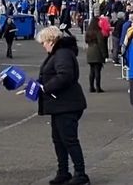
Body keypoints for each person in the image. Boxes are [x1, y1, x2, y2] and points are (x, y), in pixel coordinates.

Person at [35, 26, 90, 185]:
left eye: (44, 42)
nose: (43, 46)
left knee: (69, 139)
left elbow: (65, 75)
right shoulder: (60, 53)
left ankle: (80, 174)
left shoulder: (62, 54)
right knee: (58, 139)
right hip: (59, 104)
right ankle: (63, 171)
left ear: (51, 41)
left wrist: (46, 87)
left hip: (67, 104)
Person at [85, 17, 108, 93]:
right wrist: (104, 54)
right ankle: (98, 87)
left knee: (92, 71)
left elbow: (86, 41)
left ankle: (91, 87)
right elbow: (101, 43)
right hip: (97, 51)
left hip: (90, 50)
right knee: (97, 70)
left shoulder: (88, 31)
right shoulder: (98, 32)